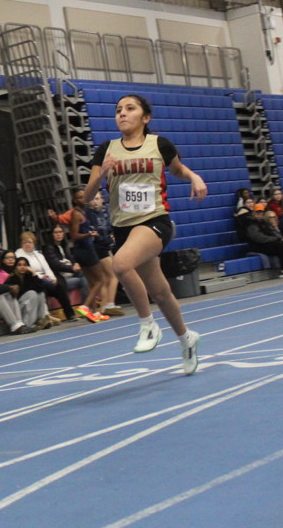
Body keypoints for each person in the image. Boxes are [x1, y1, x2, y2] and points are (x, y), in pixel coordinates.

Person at [80, 94, 206, 375]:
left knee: (121, 264)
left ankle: (147, 325)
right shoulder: (107, 150)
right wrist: (101, 175)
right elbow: (87, 197)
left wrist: (194, 176)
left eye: (130, 108)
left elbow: (177, 169)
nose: (122, 113)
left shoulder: (159, 144)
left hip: (155, 221)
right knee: (160, 292)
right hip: (123, 228)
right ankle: (187, 338)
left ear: (145, 117)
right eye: (118, 110)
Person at [66, 188, 111, 321]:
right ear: (75, 200)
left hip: (83, 250)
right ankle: (85, 306)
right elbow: (74, 236)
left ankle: (94, 313)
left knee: (92, 283)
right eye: (80, 197)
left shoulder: (83, 212)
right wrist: (89, 234)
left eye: (84, 196)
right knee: (100, 280)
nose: (84, 199)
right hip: (85, 250)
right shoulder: (76, 214)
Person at [15, 231, 79, 322]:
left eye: (29, 242)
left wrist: (53, 278)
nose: (27, 244)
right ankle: (45, 316)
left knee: (59, 287)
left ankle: (70, 314)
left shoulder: (39, 255)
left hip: (45, 279)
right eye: (24, 242)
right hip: (30, 281)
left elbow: (47, 268)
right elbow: (26, 269)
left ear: (34, 243)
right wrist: (40, 276)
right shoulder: (18, 254)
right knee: (42, 287)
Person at [86, 192, 123, 316]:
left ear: (102, 199)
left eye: (97, 199)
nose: (95, 201)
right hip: (98, 248)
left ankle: (104, 306)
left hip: (104, 246)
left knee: (106, 278)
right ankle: (110, 304)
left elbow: (109, 228)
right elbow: (96, 234)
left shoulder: (104, 212)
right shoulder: (90, 214)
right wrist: (108, 241)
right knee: (113, 275)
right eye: (93, 199)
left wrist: (111, 236)